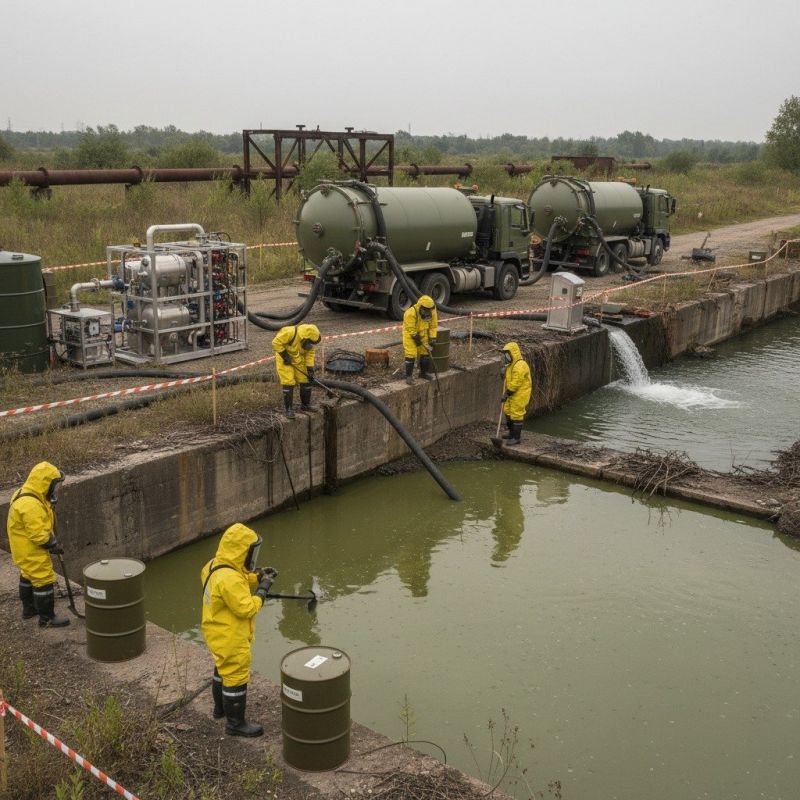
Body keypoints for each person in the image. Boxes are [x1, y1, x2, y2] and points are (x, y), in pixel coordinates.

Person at [200, 523, 277, 737]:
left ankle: (220, 710)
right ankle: (235, 724)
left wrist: (257, 576)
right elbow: (246, 608)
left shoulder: (213, 566)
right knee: (236, 676)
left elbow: (232, 581)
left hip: (215, 631)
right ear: (241, 551)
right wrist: (262, 590)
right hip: (231, 636)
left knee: (222, 669)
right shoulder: (231, 579)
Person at [6, 461, 70, 628]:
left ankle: (29, 610)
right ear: (45, 483)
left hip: (22, 547)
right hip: (32, 549)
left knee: (28, 574)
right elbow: (38, 534)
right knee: (44, 578)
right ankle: (47, 618)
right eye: (55, 485)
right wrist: (52, 544)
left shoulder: (26, 493)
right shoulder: (31, 505)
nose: (56, 489)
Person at [271, 323, 322, 419]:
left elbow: (310, 355)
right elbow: (275, 343)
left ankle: (305, 405)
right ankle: (288, 409)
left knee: (306, 379)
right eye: (310, 343)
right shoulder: (290, 332)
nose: (311, 345)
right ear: (305, 338)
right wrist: (285, 356)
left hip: (298, 359)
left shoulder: (310, 344)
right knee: (288, 382)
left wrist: (310, 369)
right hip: (285, 360)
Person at [500, 342, 532, 446]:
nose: (505, 356)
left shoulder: (520, 365)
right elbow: (509, 379)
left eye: (507, 353)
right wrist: (503, 373)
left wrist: (507, 393)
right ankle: (511, 433)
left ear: (512, 353)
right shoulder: (510, 365)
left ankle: (516, 437)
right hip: (511, 393)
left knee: (516, 414)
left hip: (520, 394)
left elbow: (516, 383)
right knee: (507, 410)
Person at [402, 294, 437, 385]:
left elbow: (433, 325)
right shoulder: (410, 313)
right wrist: (415, 337)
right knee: (411, 353)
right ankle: (408, 376)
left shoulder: (432, 311)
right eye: (426, 310)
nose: (428, 312)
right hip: (410, 334)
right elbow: (410, 328)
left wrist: (433, 337)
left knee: (425, 352)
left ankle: (423, 373)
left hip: (423, 332)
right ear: (421, 307)